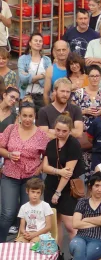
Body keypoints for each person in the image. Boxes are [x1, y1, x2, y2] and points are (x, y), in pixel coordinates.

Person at [0, 102, 49, 242]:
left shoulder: (41, 134)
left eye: (31, 116)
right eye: (25, 116)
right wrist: (9, 155)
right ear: (19, 116)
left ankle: (24, 247)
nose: (27, 119)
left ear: (35, 116)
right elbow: (1, 147)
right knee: (7, 213)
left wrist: (39, 169)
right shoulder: (11, 129)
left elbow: (47, 154)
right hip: (10, 175)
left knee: (29, 214)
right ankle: (1, 244)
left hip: (31, 177)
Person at [42, 114, 85, 243]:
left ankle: (77, 255)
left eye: (64, 131)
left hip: (67, 189)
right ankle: (57, 254)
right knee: (54, 224)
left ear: (70, 130)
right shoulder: (50, 144)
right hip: (50, 185)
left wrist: (58, 192)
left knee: (70, 225)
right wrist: (59, 171)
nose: (60, 133)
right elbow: (44, 167)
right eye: (58, 130)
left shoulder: (73, 144)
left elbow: (68, 173)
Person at [72, 65, 101, 168]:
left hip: (100, 134)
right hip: (84, 133)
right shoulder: (79, 93)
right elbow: (71, 112)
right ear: (88, 77)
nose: (95, 78)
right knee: (83, 164)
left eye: (97, 76)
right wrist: (84, 111)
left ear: (100, 77)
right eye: (92, 76)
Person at [16, 177, 53, 243]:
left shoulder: (45, 206)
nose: (35, 195)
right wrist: (25, 233)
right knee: (18, 244)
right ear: (27, 191)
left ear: (41, 193)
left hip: (42, 235)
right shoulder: (23, 207)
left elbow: (48, 226)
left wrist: (34, 235)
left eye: (38, 193)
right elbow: (22, 227)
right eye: (33, 192)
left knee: (33, 244)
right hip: (28, 234)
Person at [17, 32, 50, 105]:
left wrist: (28, 76)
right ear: (30, 43)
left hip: (41, 96)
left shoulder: (47, 60)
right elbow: (23, 79)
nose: (38, 43)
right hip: (26, 96)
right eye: (36, 40)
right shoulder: (22, 59)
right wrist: (42, 76)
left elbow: (49, 81)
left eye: (40, 41)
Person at [42, 39, 69, 105]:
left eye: (64, 50)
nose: (61, 52)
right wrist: (48, 110)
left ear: (68, 50)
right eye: (58, 50)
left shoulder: (74, 67)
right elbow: (46, 94)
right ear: (54, 52)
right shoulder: (50, 70)